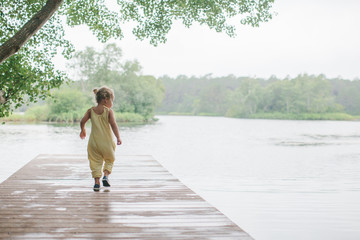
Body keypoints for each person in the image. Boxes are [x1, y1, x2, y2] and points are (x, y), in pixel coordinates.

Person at [80, 86, 122, 191]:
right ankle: (106, 176)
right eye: (112, 100)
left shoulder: (91, 111)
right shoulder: (109, 111)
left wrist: (83, 130)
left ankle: (97, 183)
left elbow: (82, 121)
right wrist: (118, 137)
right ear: (105, 100)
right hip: (107, 143)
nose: (112, 103)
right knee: (109, 159)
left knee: (95, 161)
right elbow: (113, 125)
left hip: (93, 143)